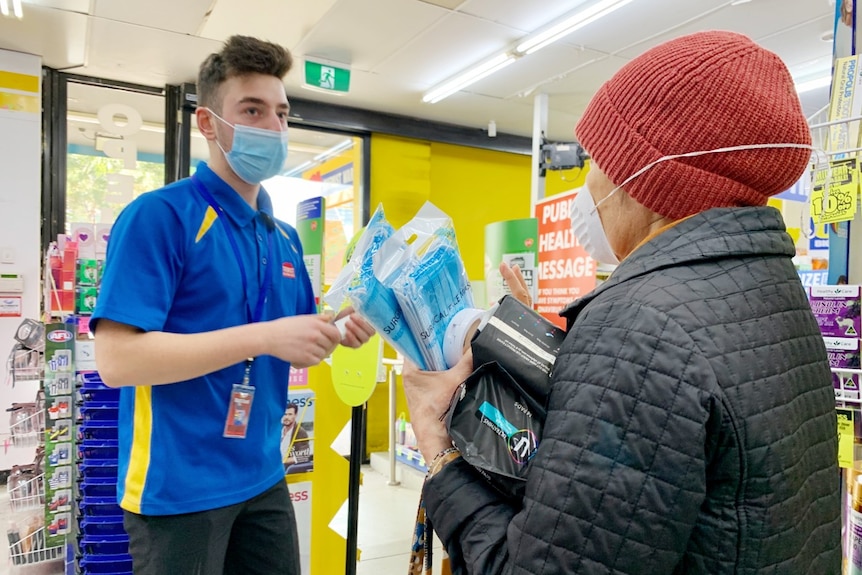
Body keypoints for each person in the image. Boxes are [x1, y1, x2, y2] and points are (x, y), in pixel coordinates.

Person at [402, 30, 841, 574]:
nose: (589, 184)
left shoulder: (638, 322)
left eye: (598, 158)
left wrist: (439, 448)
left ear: (645, 177)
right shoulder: (772, 292)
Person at [91, 35, 374, 575]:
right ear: (207, 123)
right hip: (177, 490)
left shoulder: (283, 238)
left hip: (264, 474)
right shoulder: (160, 218)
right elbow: (117, 361)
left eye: (282, 113)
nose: (273, 126)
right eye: (252, 110)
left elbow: (296, 346)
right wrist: (264, 337)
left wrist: (336, 331)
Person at [281, 403, 311, 471]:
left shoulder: (300, 433)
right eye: (285, 414)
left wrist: (283, 461)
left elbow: (304, 456)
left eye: (290, 414)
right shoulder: (276, 429)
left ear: (295, 415)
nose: (286, 417)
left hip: (285, 468)